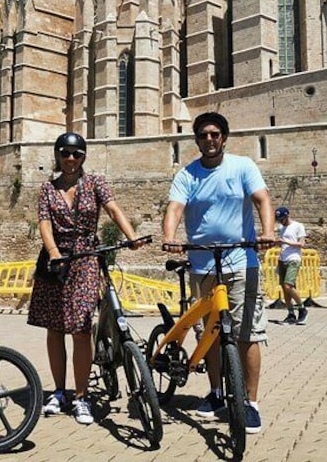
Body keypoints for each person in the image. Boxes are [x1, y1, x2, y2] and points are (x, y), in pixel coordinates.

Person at [163, 112, 275, 435]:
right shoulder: (188, 175)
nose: (209, 140)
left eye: (215, 134)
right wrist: (170, 237)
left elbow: (262, 199)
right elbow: (175, 208)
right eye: (203, 135)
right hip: (202, 265)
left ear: (223, 138)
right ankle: (215, 394)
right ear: (196, 140)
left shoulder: (242, 166)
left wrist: (267, 231)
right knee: (209, 334)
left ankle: (250, 402)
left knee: (247, 333)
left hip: (241, 262)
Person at [27, 132, 144, 425]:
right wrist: (53, 251)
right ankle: (59, 391)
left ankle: (81, 396)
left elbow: (113, 209)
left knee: (80, 328)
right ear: (57, 155)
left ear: (83, 157)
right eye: (65, 153)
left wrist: (132, 237)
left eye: (76, 154)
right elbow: (44, 222)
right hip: (56, 263)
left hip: (86, 259)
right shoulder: (47, 189)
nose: (70, 159)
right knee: (54, 329)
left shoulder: (95, 183)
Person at [275, 207, 308, 325]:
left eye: (282, 219)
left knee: (288, 286)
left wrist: (285, 242)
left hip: (294, 259)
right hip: (282, 259)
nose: (281, 222)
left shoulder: (298, 226)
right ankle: (291, 314)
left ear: (287, 216)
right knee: (284, 288)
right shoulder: (281, 228)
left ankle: (302, 308)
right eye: (279, 220)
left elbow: (301, 244)